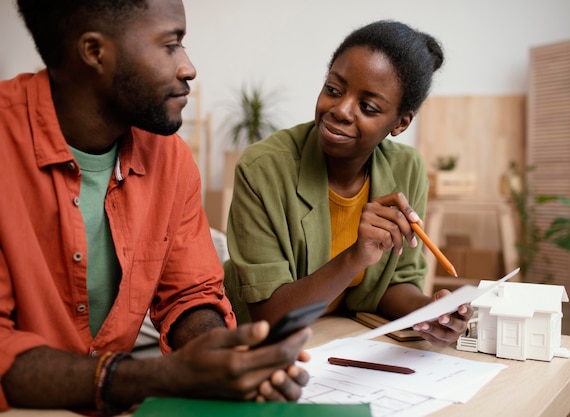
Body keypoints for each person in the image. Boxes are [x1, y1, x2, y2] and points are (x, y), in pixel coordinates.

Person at [0, 0, 310, 414]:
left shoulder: (170, 158)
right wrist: (164, 376)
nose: (188, 68)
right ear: (95, 52)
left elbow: (190, 293)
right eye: (170, 44)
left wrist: (218, 356)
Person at [225, 20, 472, 347]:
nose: (340, 110)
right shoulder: (263, 168)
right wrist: (356, 256)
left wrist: (429, 312)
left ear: (400, 123)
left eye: (367, 107)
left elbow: (395, 283)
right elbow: (271, 315)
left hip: (337, 338)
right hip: (255, 344)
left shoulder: (406, 168)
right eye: (333, 89)